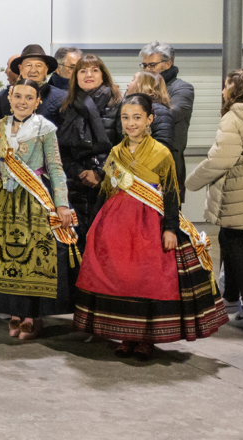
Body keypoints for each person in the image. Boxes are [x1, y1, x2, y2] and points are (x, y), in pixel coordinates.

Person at [74, 93, 227, 359]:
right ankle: (126, 335)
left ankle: (145, 338)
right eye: (125, 117)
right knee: (119, 278)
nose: (130, 123)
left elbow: (171, 193)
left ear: (149, 120)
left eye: (137, 117)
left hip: (148, 225)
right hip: (115, 222)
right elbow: (105, 191)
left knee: (145, 279)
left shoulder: (161, 153)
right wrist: (93, 225)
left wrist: (169, 228)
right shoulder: (115, 152)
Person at [0, 78, 77, 340]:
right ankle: (14, 313)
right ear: (9, 97)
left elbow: (55, 168)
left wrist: (61, 203)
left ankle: (32, 315)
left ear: (37, 101)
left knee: (31, 257)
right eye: (18, 96)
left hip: (33, 199)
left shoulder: (46, 128)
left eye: (29, 98)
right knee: (1, 256)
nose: (22, 102)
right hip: (0, 198)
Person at [186, 69, 243, 331]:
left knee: (234, 245)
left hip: (237, 191)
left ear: (237, 91)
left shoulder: (234, 118)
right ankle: (228, 299)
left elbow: (221, 159)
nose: (222, 91)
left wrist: (191, 182)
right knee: (231, 241)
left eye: (226, 86)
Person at [56, 54, 121, 232]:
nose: (88, 74)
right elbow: (61, 149)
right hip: (75, 184)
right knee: (77, 241)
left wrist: (99, 172)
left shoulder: (118, 105)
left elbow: (122, 148)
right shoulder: (66, 107)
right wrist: (80, 172)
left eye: (94, 70)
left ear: (103, 75)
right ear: (75, 77)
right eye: (82, 71)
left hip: (108, 184)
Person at [139, 41, 194, 197]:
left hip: (169, 164)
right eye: (144, 65)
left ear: (168, 64)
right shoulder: (139, 86)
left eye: (152, 65)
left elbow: (172, 114)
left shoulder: (182, 88)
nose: (147, 70)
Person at [0, 45, 68, 124]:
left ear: (46, 69)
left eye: (38, 66)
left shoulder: (62, 98)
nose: (33, 70)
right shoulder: (2, 98)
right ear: (20, 68)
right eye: (28, 65)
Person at [123, 71, 177, 156]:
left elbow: (162, 146)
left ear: (144, 86)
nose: (128, 84)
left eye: (133, 80)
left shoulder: (160, 111)